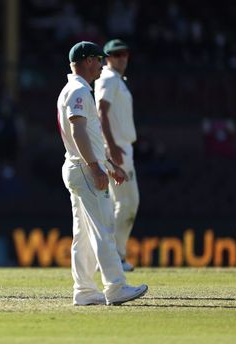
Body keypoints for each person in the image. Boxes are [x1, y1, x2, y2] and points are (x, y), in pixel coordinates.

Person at [57, 41, 147, 306]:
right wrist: (96, 168)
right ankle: (116, 287)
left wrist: (109, 165)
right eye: (97, 59)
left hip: (79, 166)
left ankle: (84, 291)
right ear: (86, 61)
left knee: (83, 235)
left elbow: (91, 137)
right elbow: (79, 130)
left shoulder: (74, 88)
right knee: (103, 228)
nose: (100, 64)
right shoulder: (79, 90)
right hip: (85, 169)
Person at [94, 39, 138, 272]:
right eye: (117, 54)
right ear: (108, 58)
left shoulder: (116, 80)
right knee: (127, 203)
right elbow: (102, 110)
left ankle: (111, 256)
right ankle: (115, 256)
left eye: (125, 53)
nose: (123, 58)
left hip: (121, 146)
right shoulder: (108, 78)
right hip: (117, 148)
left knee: (120, 203)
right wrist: (110, 146)